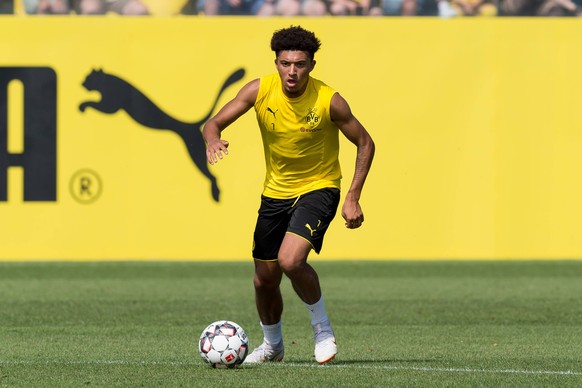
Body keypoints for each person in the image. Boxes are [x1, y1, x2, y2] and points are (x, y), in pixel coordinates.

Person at [203, 26, 375, 364]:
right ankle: (272, 347)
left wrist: (352, 195)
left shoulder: (329, 100)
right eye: (285, 64)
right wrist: (212, 140)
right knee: (264, 279)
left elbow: (365, 143)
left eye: (299, 64)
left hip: (320, 186)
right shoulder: (259, 90)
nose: (291, 72)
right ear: (276, 63)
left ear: (311, 65)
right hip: (276, 193)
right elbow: (212, 123)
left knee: (291, 260)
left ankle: (322, 330)